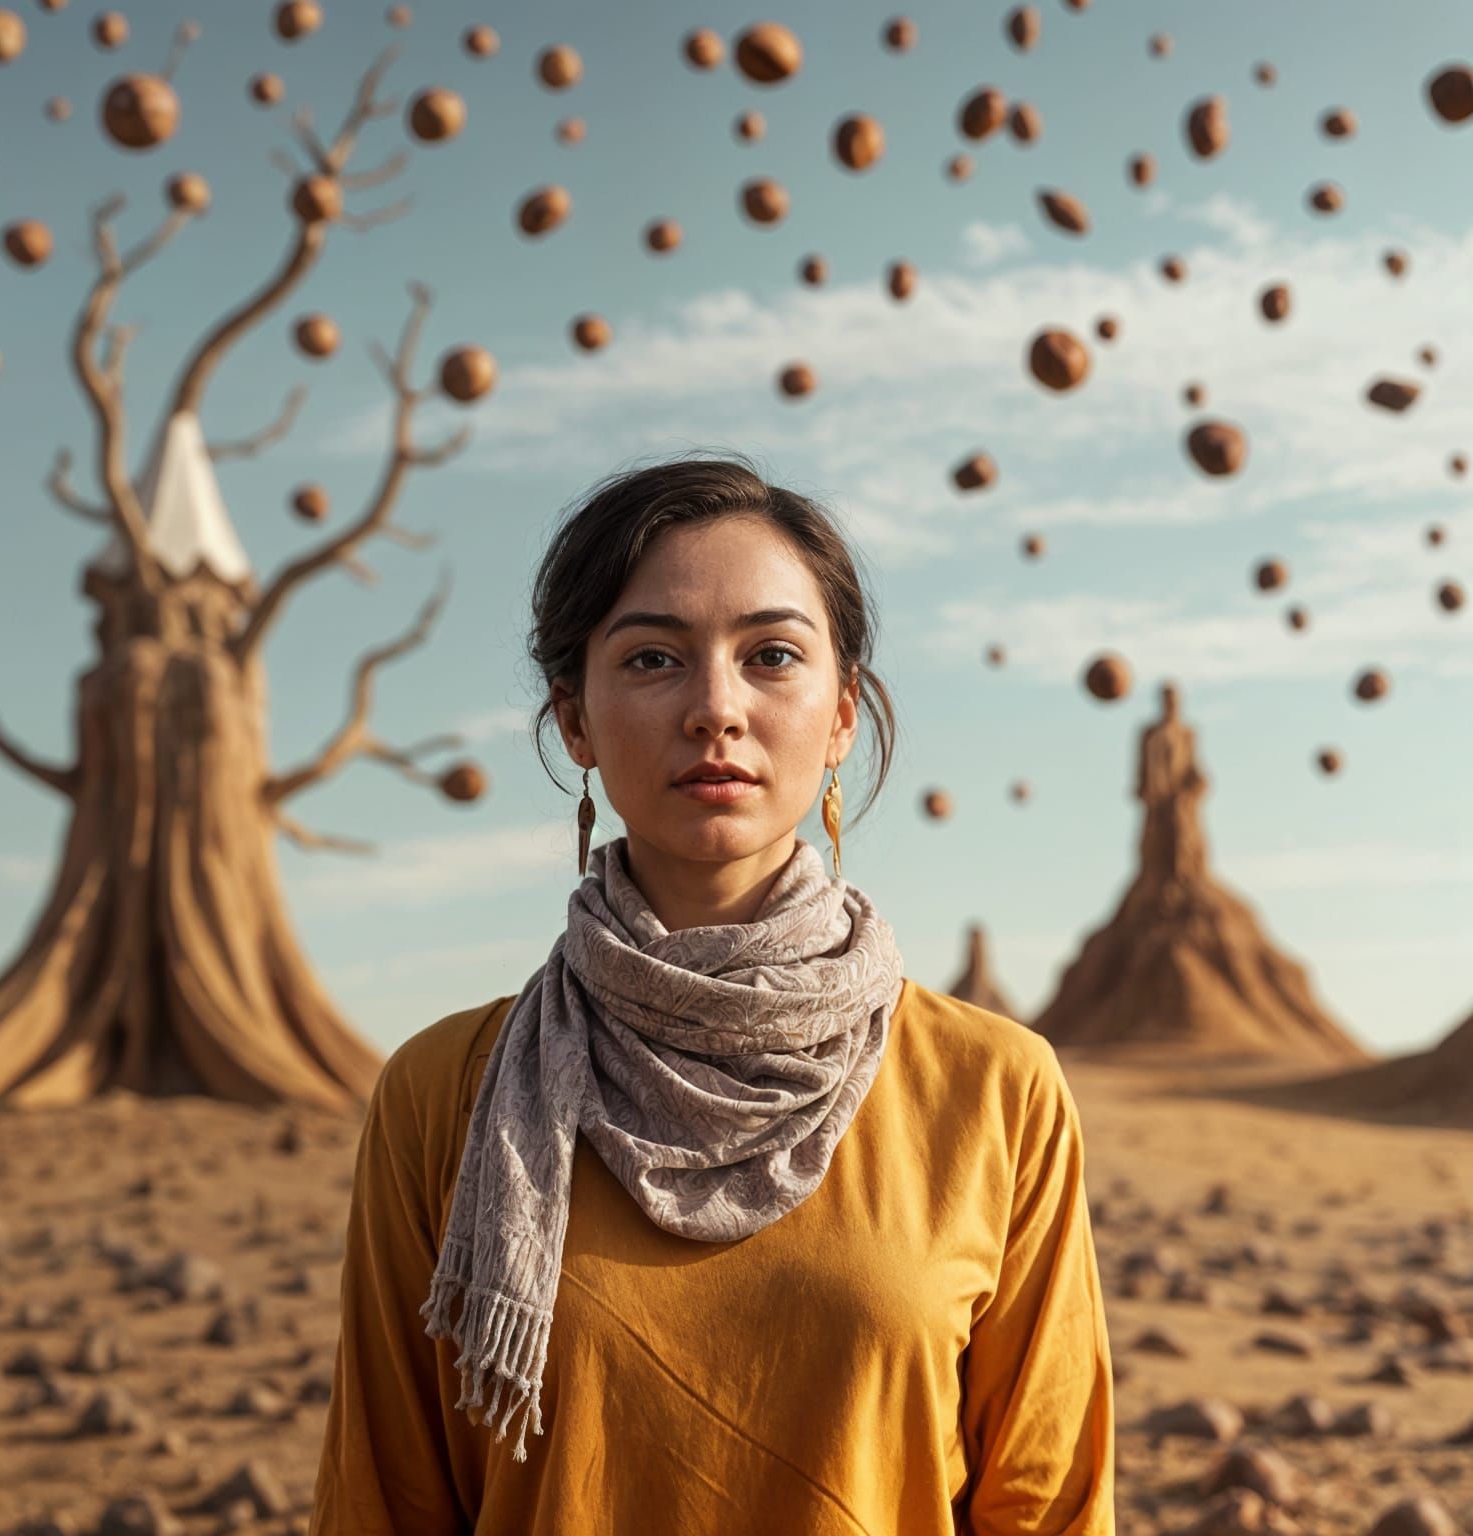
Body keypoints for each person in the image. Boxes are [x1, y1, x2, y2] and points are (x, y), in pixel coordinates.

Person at [309, 451, 1116, 1535]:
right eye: (652, 659)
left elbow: (1050, 1508)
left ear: (841, 716)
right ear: (576, 725)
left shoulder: (993, 1090)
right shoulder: (442, 1093)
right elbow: (387, 1503)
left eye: (773, 655)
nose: (715, 709)